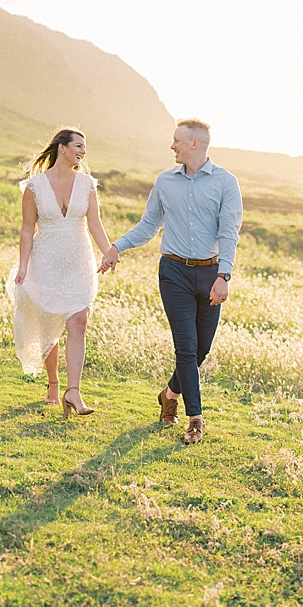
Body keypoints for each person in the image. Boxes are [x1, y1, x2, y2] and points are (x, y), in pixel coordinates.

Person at [99, 119, 242, 444]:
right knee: (186, 348)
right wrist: (116, 247)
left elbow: (228, 232)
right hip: (174, 272)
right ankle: (195, 419)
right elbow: (149, 224)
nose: (172, 146)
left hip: (210, 273)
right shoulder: (165, 182)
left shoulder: (225, 183)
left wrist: (223, 275)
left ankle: (169, 393)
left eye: (177, 140)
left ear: (195, 144)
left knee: (202, 348)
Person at [6, 128, 115, 417]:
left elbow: (95, 225)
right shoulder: (34, 187)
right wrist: (23, 265)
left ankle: (73, 392)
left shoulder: (88, 184)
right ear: (62, 148)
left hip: (79, 261)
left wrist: (108, 251)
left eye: (85, 148)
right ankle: (53, 383)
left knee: (78, 321)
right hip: (46, 260)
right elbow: (27, 229)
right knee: (49, 322)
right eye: (78, 146)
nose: (82, 152)